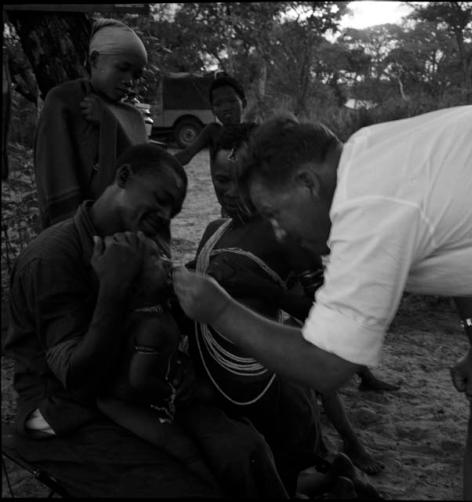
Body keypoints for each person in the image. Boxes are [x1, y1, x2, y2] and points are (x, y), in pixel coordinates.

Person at [172, 104, 472, 500]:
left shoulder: (367, 208)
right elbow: (464, 237)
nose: (278, 230)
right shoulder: (365, 149)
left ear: (307, 183)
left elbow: (327, 365)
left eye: (274, 213)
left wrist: (219, 310)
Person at [3, 144, 225, 497]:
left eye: (174, 209)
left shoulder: (146, 238)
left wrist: (176, 366)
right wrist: (113, 289)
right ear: (123, 177)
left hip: (125, 393)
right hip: (56, 414)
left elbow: (156, 323)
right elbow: (77, 379)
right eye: (161, 198)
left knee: (238, 450)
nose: (166, 215)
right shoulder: (52, 258)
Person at [187, 125, 381, 497]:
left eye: (236, 181)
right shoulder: (213, 229)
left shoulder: (286, 233)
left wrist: (256, 288)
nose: (227, 191)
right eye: (219, 180)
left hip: (266, 378)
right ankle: (330, 477)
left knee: (282, 461)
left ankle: (335, 476)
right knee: (251, 464)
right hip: (216, 377)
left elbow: (321, 313)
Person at [96, 232, 289, 499]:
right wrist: (168, 394)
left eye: (163, 254)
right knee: (183, 448)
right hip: (144, 404)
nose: (167, 261)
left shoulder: (155, 310)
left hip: (146, 397)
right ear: (133, 283)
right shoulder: (152, 326)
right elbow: (139, 379)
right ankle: (206, 481)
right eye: (155, 258)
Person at [34, 18, 148, 229]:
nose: (129, 80)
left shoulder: (133, 116)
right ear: (94, 61)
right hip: (76, 233)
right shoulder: (65, 102)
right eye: (123, 68)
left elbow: (142, 177)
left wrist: (108, 123)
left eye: (136, 74)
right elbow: (56, 175)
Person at [173, 73, 256, 168]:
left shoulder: (252, 131)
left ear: (244, 103)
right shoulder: (212, 131)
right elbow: (187, 155)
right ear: (212, 110)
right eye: (218, 104)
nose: (226, 108)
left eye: (232, 101)